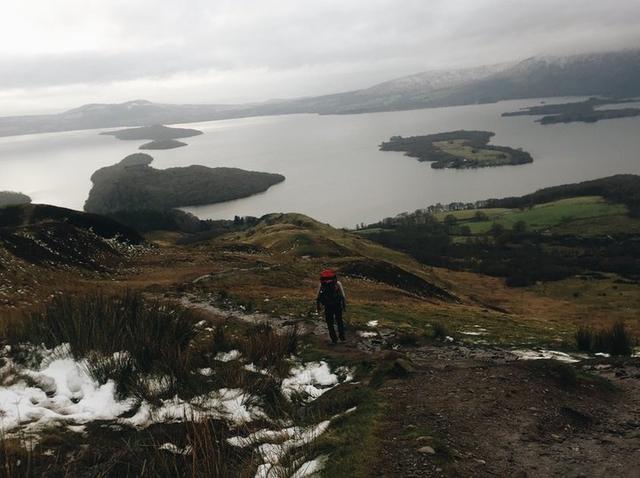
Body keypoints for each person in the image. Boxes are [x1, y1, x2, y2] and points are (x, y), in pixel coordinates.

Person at [316, 269, 347, 344]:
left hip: (328, 306)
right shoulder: (337, 283)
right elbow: (343, 296)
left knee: (330, 323)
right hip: (337, 305)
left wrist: (318, 307)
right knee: (339, 321)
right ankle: (342, 338)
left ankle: (334, 339)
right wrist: (344, 306)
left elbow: (317, 297)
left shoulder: (322, 284)